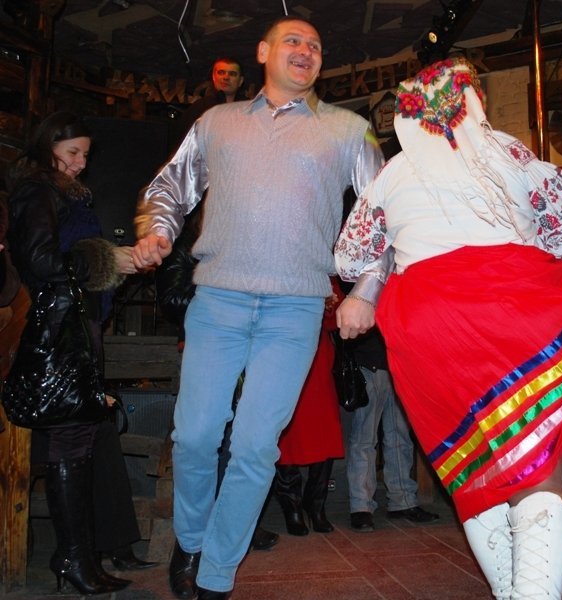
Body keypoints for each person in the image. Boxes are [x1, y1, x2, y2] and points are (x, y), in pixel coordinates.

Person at [132, 16, 384, 600]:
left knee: (253, 447)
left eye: (316, 45)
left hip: (295, 310)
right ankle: (191, 541)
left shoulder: (351, 129)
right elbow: (167, 188)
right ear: (264, 52)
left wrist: (366, 291)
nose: (306, 50)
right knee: (195, 437)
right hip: (217, 300)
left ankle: (217, 570)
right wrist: (158, 230)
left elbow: (382, 212)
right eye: (293, 40)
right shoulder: (216, 122)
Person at [334, 57, 562, 599]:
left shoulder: (393, 172)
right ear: (473, 99)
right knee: (535, 461)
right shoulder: (505, 150)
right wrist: (528, 242)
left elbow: (350, 256)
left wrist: (394, 256)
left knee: (474, 466)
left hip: (427, 325)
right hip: (510, 307)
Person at [5, 111, 155, 595]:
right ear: (47, 145)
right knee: (71, 439)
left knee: (82, 437)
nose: (80, 163)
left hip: (75, 327)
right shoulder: (37, 191)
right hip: (59, 331)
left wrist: (113, 264)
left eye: (85, 155)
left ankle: (78, 555)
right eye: (72, 152)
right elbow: (39, 260)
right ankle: (74, 557)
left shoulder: (63, 193)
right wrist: (107, 258)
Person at [154, 201, 280, 551]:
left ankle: (237, 524)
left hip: (252, 354)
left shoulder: (248, 244)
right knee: (201, 442)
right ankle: (194, 539)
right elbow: (171, 300)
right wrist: (221, 296)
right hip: (206, 349)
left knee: (246, 442)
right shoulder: (185, 246)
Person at [345, 328, 439, 532]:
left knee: (401, 437)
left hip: (401, 362)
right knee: (364, 438)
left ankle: (402, 500)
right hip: (367, 360)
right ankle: (361, 505)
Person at [274, 279, 345, 536]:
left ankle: (315, 506)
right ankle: (291, 508)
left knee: (325, 435)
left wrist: (327, 306)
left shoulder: (326, 276)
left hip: (318, 362)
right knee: (288, 438)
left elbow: (339, 319)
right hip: (283, 356)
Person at [171, 57, 244, 149]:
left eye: (232, 74)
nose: (226, 77)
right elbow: (182, 145)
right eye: (221, 72)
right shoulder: (199, 108)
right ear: (213, 77)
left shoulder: (248, 110)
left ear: (240, 81)